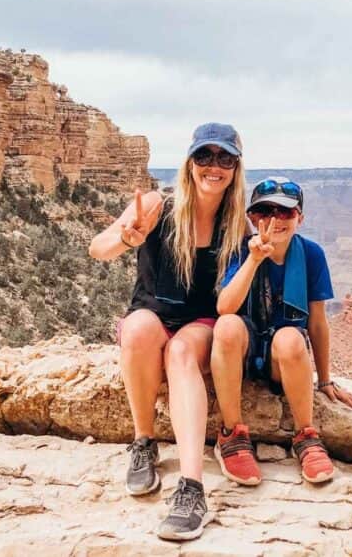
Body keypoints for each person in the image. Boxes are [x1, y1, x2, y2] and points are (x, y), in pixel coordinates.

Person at [88, 122, 247, 541]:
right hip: (153, 315)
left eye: (224, 158)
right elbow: (98, 248)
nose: (214, 167)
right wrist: (126, 237)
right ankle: (144, 443)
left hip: (201, 324)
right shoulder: (158, 205)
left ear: (235, 167)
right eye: (205, 156)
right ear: (190, 162)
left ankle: (192, 488)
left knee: (179, 353)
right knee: (138, 330)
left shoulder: (237, 225)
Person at [210, 177, 352, 487]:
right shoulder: (240, 250)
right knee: (226, 327)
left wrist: (326, 379)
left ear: (299, 218)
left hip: (283, 359)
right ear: (252, 217)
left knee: (291, 337)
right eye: (264, 211)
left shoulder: (311, 255)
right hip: (246, 352)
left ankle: (305, 434)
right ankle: (232, 434)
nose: (274, 220)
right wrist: (254, 260)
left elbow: (317, 322)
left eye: (285, 212)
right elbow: (226, 307)